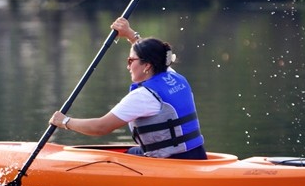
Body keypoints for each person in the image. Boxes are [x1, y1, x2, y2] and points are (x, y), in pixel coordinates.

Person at [50, 17, 207, 159]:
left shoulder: (144, 96)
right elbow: (153, 53)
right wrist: (130, 35)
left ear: (147, 66)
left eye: (131, 60)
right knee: (127, 153)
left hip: (172, 162)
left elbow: (100, 127)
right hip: (196, 155)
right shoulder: (174, 76)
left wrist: (64, 121)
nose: (128, 66)